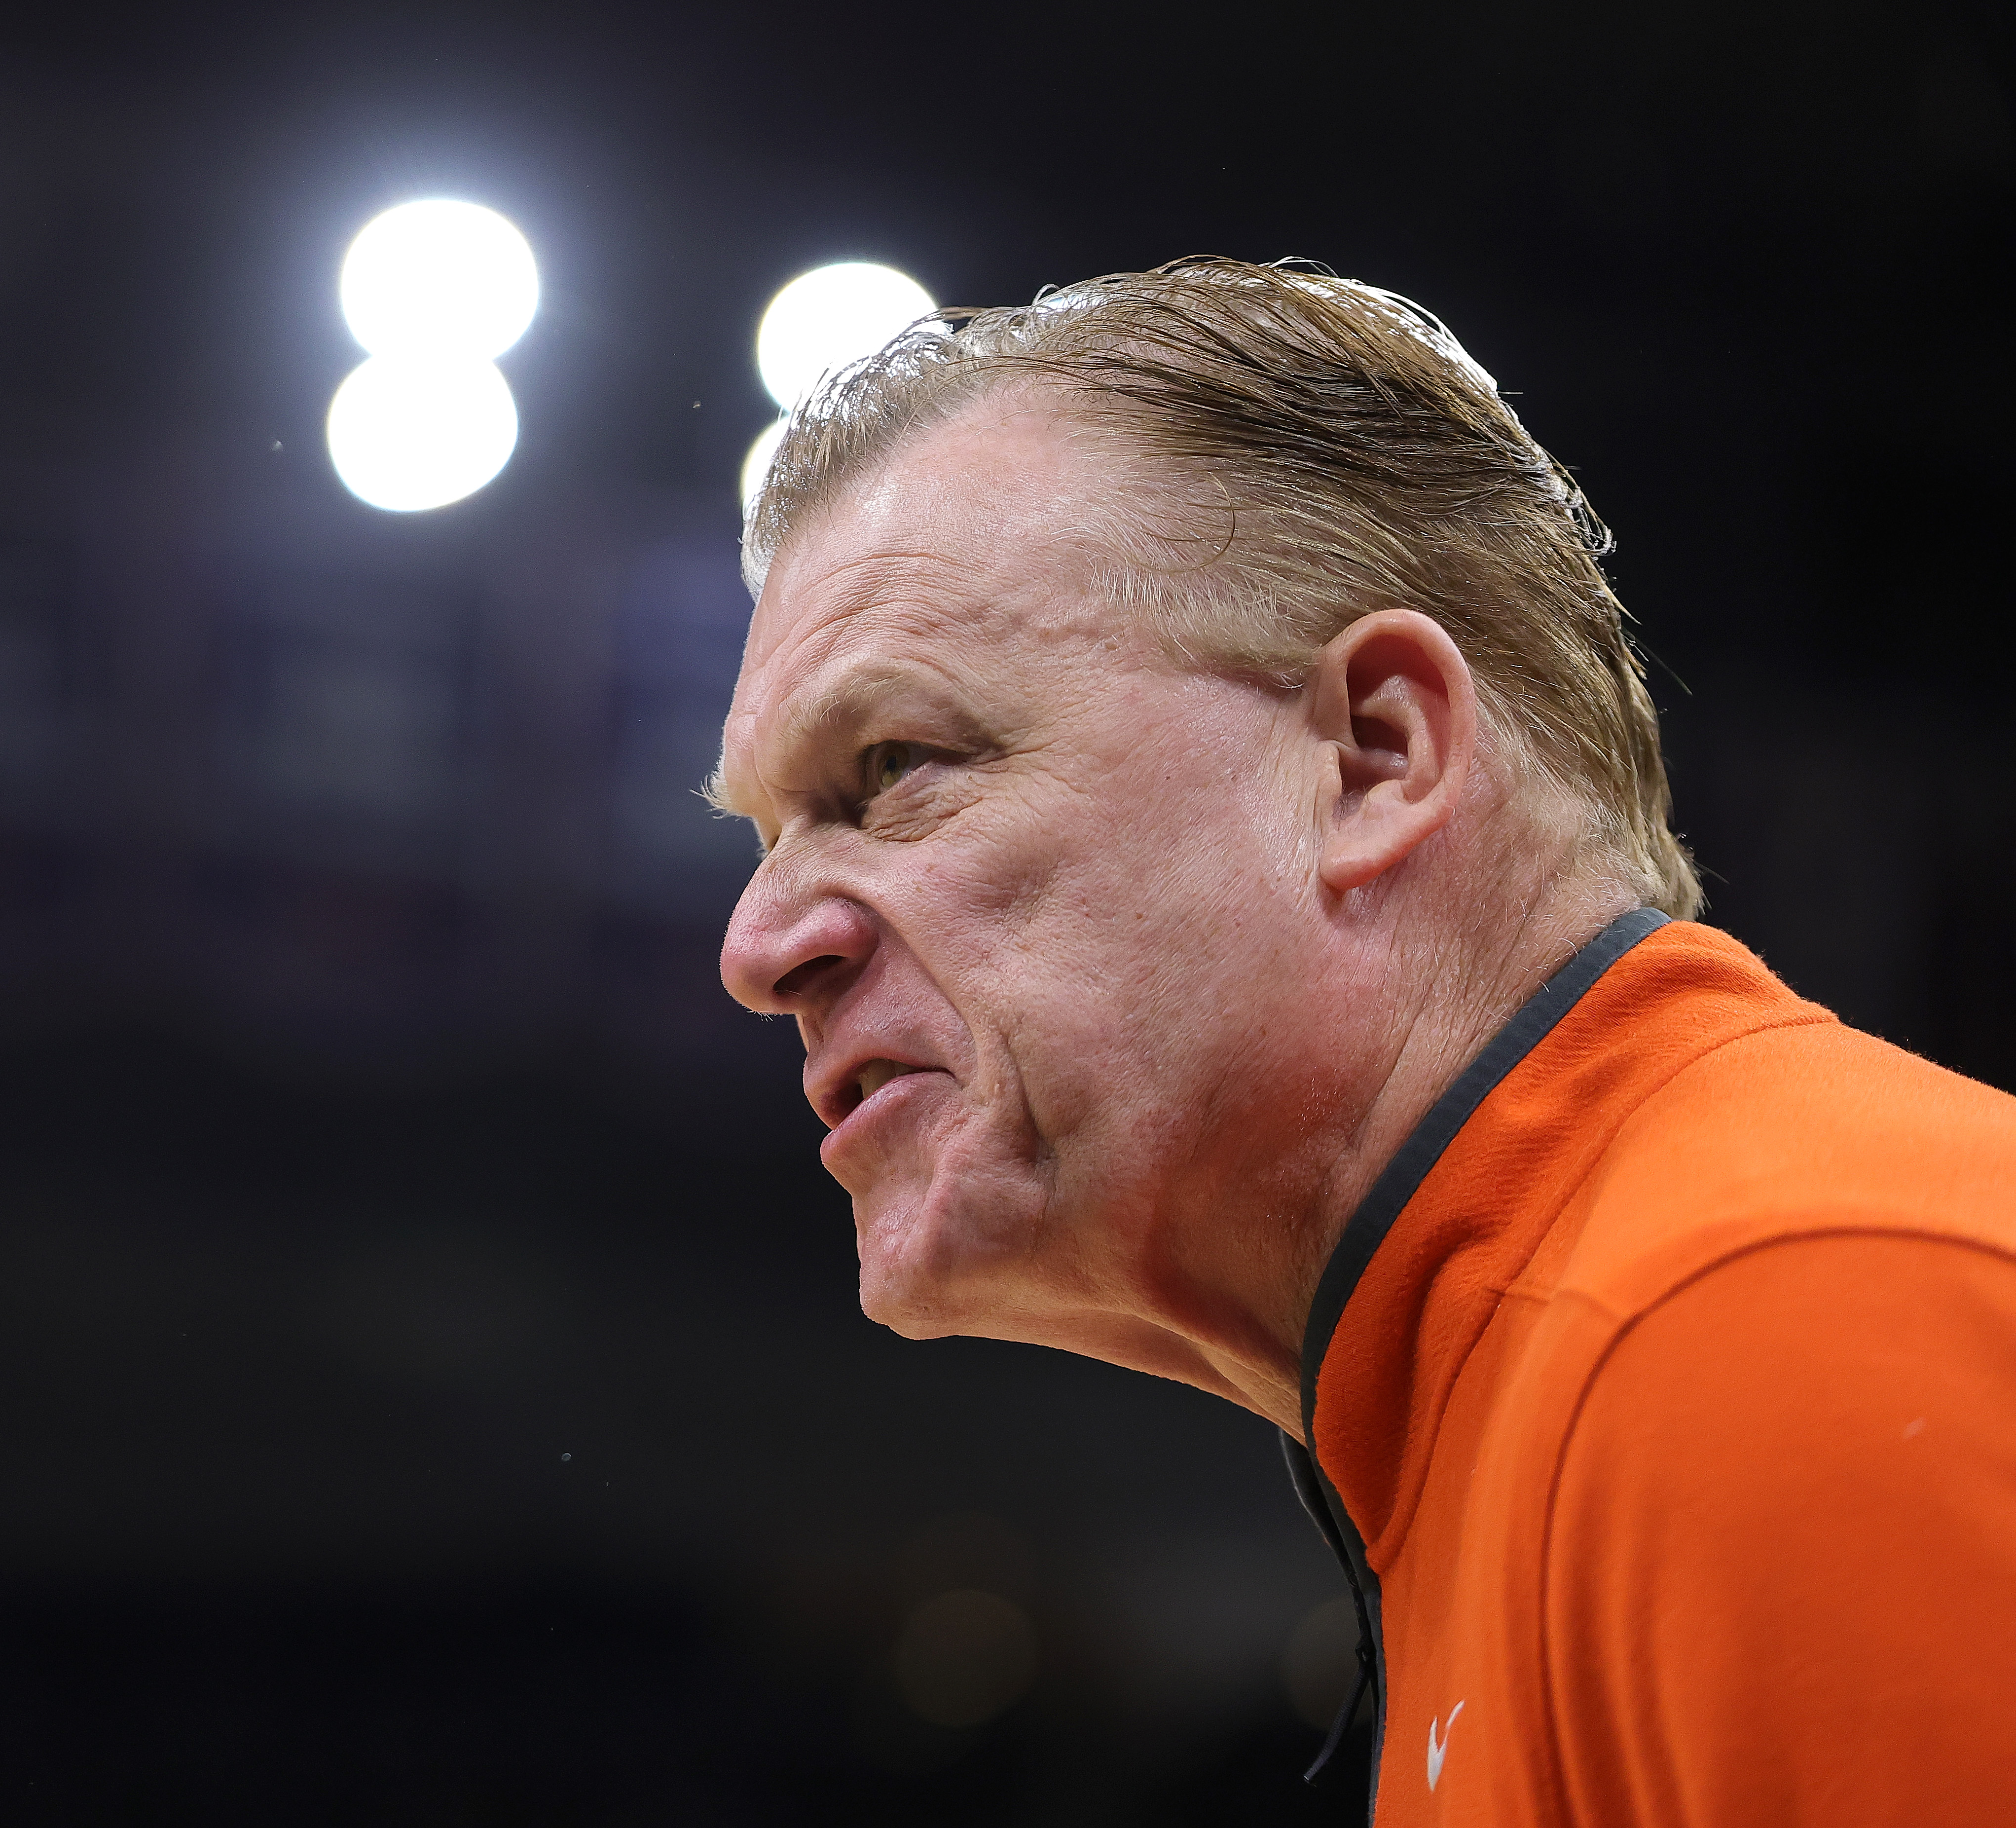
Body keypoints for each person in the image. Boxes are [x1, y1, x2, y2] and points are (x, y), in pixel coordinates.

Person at [711, 256, 2016, 1825]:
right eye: (769, 837)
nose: (762, 949)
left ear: (1375, 757)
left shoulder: (1768, 1315)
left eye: (897, 765)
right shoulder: (1567, 1375)